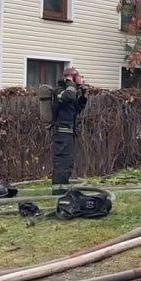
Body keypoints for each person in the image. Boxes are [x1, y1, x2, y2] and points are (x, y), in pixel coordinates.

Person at [51, 67, 88, 195]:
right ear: (70, 78)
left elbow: (78, 108)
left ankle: (64, 190)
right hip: (62, 133)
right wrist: (70, 83)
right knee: (61, 162)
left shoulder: (72, 91)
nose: (81, 78)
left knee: (68, 163)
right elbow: (68, 97)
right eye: (77, 76)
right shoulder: (60, 90)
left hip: (70, 133)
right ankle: (58, 193)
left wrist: (83, 95)